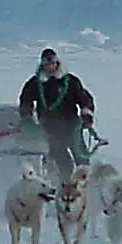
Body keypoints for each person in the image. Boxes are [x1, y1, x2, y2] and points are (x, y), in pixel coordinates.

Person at [18, 47, 96, 180]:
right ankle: (65, 185)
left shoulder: (71, 81)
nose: (50, 67)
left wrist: (86, 113)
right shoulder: (35, 83)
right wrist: (27, 117)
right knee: (62, 161)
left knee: (82, 159)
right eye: (46, 64)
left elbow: (84, 99)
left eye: (52, 63)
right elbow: (25, 100)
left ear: (57, 63)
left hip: (72, 126)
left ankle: (87, 186)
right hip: (49, 128)